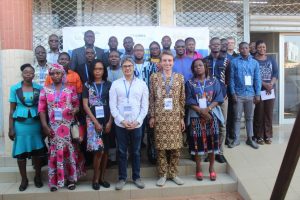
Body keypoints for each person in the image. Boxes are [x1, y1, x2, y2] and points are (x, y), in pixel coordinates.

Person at [39, 64, 83, 191]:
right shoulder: (45, 90)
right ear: (50, 75)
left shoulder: (70, 89)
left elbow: (77, 105)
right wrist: (44, 125)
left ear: (62, 74)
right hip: (53, 127)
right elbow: (41, 110)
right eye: (52, 73)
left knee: (69, 152)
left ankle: (70, 180)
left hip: (68, 127)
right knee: (54, 153)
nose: (55, 76)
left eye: (58, 73)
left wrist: (74, 110)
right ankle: (54, 182)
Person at [109, 56, 149, 190]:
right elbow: (112, 106)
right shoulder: (116, 84)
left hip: (137, 124)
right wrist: (121, 120)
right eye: (125, 66)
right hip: (121, 124)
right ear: (122, 68)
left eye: (129, 66)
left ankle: (136, 177)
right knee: (121, 151)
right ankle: (122, 178)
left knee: (136, 151)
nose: (127, 68)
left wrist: (138, 121)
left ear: (133, 68)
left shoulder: (142, 84)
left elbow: (145, 106)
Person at [149, 51, 185, 187]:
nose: (167, 63)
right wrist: (152, 116)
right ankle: (163, 174)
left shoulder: (179, 78)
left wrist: (182, 117)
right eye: (164, 60)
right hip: (160, 117)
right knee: (161, 148)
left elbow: (182, 99)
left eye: (170, 61)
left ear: (173, 62)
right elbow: (151, 98)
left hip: (175, 117)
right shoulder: (154, 77)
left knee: (176, 148)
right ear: (160, 62)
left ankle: (174, 174)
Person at [8, 64, 45, 191]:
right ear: (22, 74)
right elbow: (12, 110)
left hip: (36, 124)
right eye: (26, 72)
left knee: (38, 152)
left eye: (31, 72)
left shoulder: (40, 88)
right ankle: (24, 179)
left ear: (34, 74)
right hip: (20, 125)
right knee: (21, 152)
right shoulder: (15, 88)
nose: (28, 74)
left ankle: (38, 177)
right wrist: (11, 128)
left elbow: (43, 108)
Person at [185, 58, 224, 181]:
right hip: (196, 117)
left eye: (200, 65)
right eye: (195, 66)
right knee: (197, 144)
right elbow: (189, 100)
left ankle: (212, 169)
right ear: (193, 69)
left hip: (211, 115)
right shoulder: (190, 83)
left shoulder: (214, 81)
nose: (198, 67)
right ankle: (198, 168)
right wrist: (200, 111)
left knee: (212, 143)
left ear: (205, 67)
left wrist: (207, 109)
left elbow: (218, 97)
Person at [83, 60, 113, 190]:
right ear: (92, 70)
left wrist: (110, 121)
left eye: (100, 69)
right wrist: (95, 122)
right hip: (93, 121)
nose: (98, 71)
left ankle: (102, 178)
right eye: (95, 69)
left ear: (104, 71)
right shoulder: (87, 85)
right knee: (98, 151)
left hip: (107, 120)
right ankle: (95, 179)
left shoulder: (109, 84)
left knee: (105, 151)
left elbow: (113, 104)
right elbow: (85, 105)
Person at [229, 42, 262, 149]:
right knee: (237, 118)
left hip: (251, 95)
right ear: (239, 49)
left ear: (249, 49)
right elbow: (231, 79)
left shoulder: (255, 63)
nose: (244, 50)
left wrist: (257, 94)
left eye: (246, 48)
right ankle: (236, 139)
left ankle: (250, 139)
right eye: (242, 48)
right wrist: (233, 93)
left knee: (249, 118)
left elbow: (257, 79)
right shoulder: (234, 62)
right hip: (238, 95)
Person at [203, 37, 229, 163]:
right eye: (213, 44)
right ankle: (209, 152)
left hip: (222, 98)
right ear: (209, 46)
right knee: (209, 126)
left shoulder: (226, 61)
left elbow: (229, 79)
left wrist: (225, 93)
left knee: (222, 126)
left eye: (218, 44)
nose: (216, 46)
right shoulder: (204, 61)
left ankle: (220, 152)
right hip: (208, 99)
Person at [253, 40, 278, 145]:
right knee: (259, 113)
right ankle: (258, 136)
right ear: (256, 48)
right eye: (259, 47)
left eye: (263, 47)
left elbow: (276, 72)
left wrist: (271, 84)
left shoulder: (271, 59)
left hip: (270, 91)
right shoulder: (253, 60)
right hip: (259, 90)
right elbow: (254, 76)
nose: (262, 49)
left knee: (268, 113)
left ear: (266, 48)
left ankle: (267, 136)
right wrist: (264, 84)